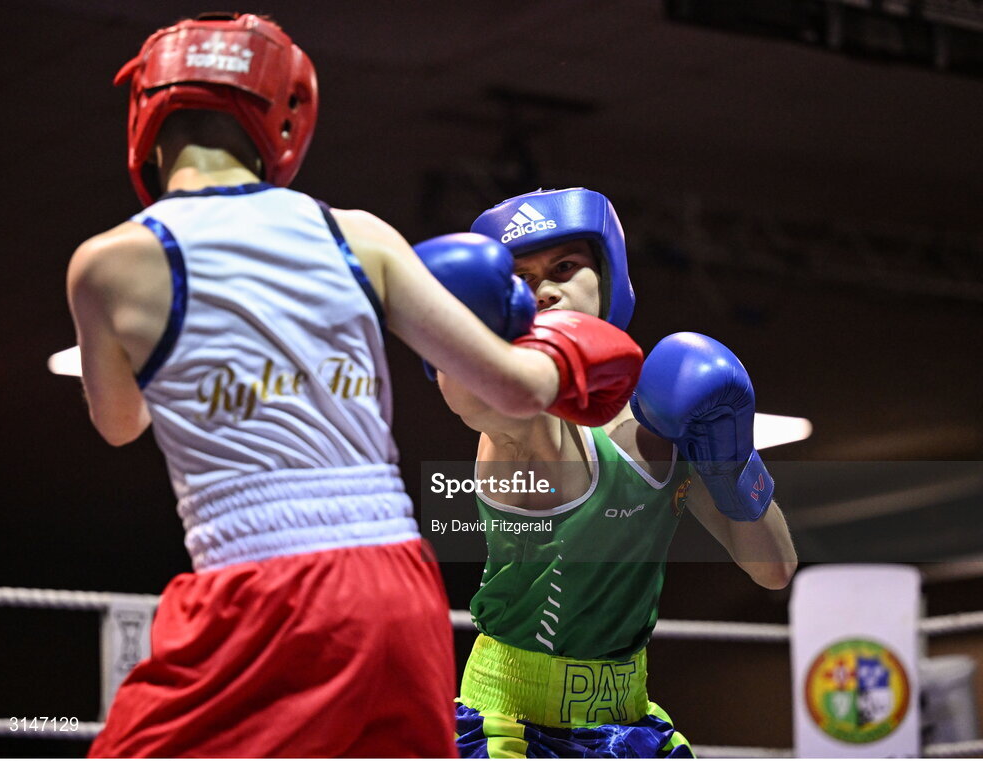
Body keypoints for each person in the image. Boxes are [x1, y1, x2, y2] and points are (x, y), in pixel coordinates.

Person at [65, 16, 646, 758]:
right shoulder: (360, 235)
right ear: (282, 116)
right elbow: (522, 386)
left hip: (256, 581)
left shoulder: (106, 265)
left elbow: (120, 425)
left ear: (146, 116)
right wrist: (571, 350)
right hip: (399, 585)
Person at [422, 187, 798, 758]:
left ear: (608, 278)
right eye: (520, 280)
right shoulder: (525, 418)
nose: (543, 289)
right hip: (514, 721)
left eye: (565, 267)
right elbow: (471, 393)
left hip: (629, 722)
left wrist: (731, 460)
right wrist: (450, 320)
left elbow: (773, 569)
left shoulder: (669, 412)